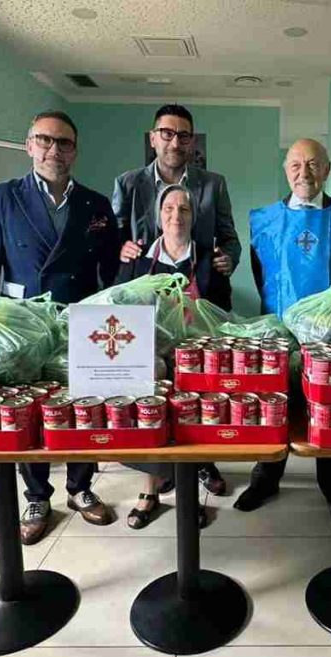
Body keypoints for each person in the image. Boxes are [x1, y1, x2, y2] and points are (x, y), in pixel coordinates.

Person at [0, 110, 120, 545]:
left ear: (75, 150)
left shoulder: (96, 204)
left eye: (64, 142)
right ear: (28, 145)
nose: (55, 150)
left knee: (82, 406)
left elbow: (112, 270)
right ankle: (37, 495)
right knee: (31, 409)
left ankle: (81, 487)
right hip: (24, 321)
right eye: (45, 140)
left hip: (82, 319)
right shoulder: (1, 197)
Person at [234, 138, 331, 528]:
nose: (304, 173)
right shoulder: (263, 219)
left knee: (329, 407)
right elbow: (262, 278)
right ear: (285, 170)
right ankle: (266, 478)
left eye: (313, 164)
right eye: (295, 165)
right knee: (273, 405)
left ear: (328, 170)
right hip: (278, 330)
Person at [113, 103, 238, 497]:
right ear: (153, 138)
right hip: (145, 287)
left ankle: (202, 463)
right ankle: (154, 482)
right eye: (166, 133)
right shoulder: (128, 183)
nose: (174, 141)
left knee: (199, 386)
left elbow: (229, 237)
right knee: (152, 390)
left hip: (196, 282)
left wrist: (227, 259)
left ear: (192, 141)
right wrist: (121, 250)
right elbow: (111, 239)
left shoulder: (212, 183)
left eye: (183, 135)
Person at [119, 184, 231, 529]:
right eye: (168, 208)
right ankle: (149, 490)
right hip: (149, 358)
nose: (176, 216)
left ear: (193, 217)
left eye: (184, 209)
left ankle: (192, 486)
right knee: (151, 418)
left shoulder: (211, 260)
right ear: (158, 215)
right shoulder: (137, 258)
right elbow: (118, 305)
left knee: (191, 419)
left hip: (197, 359)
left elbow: (224, 312)